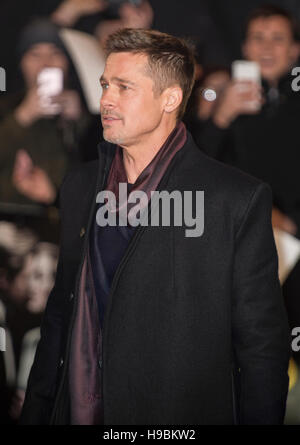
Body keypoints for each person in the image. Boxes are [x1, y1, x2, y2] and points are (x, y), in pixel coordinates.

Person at [21, 28, 290, 425]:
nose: (106, 100)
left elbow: (261, 346)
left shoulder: (233, 199)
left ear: (171, 98)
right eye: (105, 85)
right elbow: (60, 318)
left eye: (124, 87)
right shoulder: (81, 186)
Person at [0, 19, 91, 206]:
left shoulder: (85, 113)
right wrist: (22, 117)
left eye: (55, 53)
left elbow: (97, 172)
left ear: (67, 63)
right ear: (21, 63)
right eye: (35, 54)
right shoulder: (6, 108)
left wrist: (79, 121)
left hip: (61, 222)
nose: (45, 63)